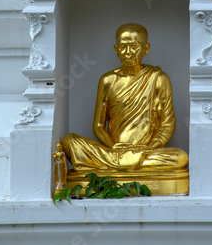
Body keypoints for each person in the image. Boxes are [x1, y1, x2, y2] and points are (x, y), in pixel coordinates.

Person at [62, 23, 188, 172]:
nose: (128, 52)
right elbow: (98, 126)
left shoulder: (158, 78)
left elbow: (167, 124)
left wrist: (149, 147)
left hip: (146, 151)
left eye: (134, 47)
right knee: (69, 141)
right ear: (116, 50)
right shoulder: (108, 80)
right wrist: (114, 147)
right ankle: (127, 163)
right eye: (123, 47)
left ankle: (121, 164)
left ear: (146, 49)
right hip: (115, 151)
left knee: (180, 157)